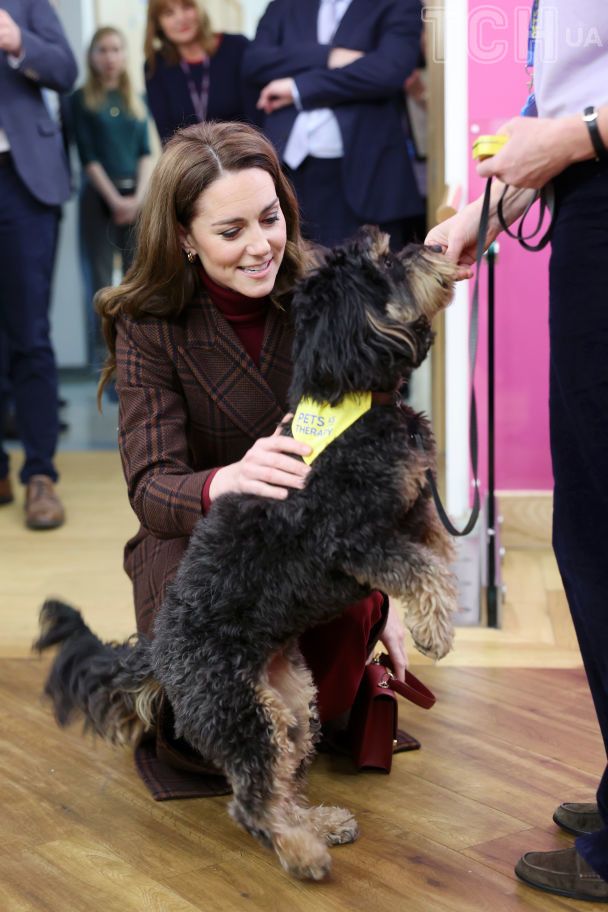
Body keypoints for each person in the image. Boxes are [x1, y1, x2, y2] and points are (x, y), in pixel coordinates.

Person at [96, 120, 408, 794]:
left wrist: (391, 593)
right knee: (213, 736)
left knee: (325, 705)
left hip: (311, 537)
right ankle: (159, 686)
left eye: (269, 219)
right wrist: (227, 480)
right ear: (184, 238)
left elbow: (380, 449)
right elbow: (151, 488)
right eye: (230, 231)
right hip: (194, 541)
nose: (261, 245)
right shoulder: (147, 324)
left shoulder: (326, 286)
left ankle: (360, 655)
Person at [425, 1, 608, 900]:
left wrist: (576, 138)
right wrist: (480, 220)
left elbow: (572, 118)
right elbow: (564, 103)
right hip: (583, 201)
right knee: (590, 529)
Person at [241, 0, 425, 250]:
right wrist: (329, 56)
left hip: (368, 172)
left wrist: (298, 87)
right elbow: (255, 62)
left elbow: (388, 70)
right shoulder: (284, 5)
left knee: (374, 280)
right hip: (288, 172)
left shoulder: (398, 4)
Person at [0, 0, 77, 528]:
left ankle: (40, 475)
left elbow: (66, 71)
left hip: (19, 181)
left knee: (29, 333)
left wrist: (16, 40)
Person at [70, 27, 152, 372]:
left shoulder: (135, 97)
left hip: (137, 195)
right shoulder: (80, 100)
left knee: (140, 278)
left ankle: (139, 357)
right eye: (102, 50)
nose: (110, 57)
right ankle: (106, 361)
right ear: (92, 56)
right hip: (100, 198)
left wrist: (137, 198)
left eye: (116, 49)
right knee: (102, 280)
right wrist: (116, 201)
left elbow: (146, 152)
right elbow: (88, 158)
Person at [144, 0, 255, 145]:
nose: (181, 18)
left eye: (187, 7)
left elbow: (257, 120)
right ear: (158, 23)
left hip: (244, 154)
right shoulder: (155, 66)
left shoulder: (238, 47)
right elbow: (167, 138)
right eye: (168, 13)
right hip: (192, 164)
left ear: (199, 9)